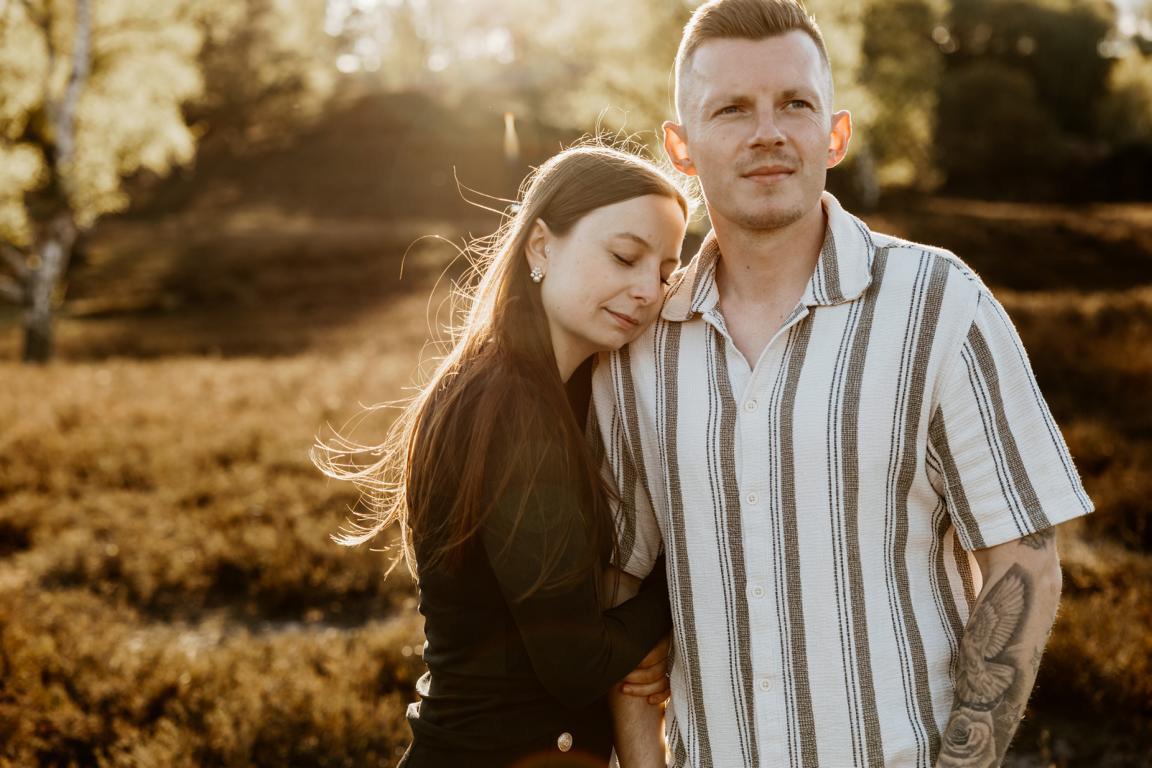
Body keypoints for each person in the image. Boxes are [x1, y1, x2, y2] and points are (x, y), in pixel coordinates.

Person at [591, 2, 1095, 767]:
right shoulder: (636, 345)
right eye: (731, 109)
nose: (768, 132)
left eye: (794, 103)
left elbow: (1023, 557)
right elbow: (619, 586)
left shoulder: (940, 304)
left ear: (835, 133)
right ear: (681, 147)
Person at [314, 145, 689, 767]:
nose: (648, 288)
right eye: (625, 256)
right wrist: (681, 583)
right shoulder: (508, 406)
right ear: (540, 246)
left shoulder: (555, 393)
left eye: (667, 270)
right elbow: (578, 663)